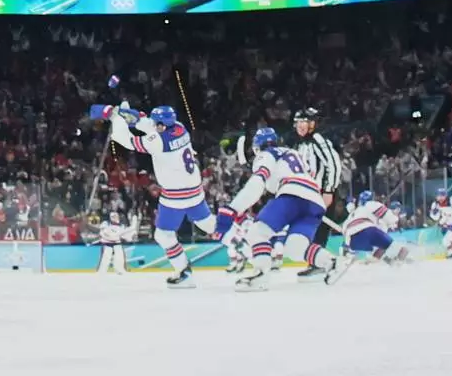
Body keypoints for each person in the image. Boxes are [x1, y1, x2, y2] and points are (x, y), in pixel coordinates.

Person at [214, 127, 341, 291]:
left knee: (257, 232)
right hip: (315, 199)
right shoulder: (294, 153)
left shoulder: (266, 155)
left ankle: (260, 275)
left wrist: (234, 208)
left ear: (257, 146)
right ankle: (331, 262)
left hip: (291, 194)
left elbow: (258, 183)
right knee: (295, 247)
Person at [106, 104, 217, 288]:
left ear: (162, 125)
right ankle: (241, 240)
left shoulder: (157, 141)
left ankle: (184, 272)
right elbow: (150, 126)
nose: (155, 125)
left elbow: (124, 139)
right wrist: (135, 116)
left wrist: (115, 117)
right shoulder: (180, 128)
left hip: (175, 195)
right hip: (194, 190)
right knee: (209, 225)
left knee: (164, 235)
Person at [291, 108, 344, 281]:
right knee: (312, 227)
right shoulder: (302, 144)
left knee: (319, 227)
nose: (299, 126)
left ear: (312, 123)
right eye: (297, 122)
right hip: (310, 194)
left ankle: (320, 263)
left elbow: (334, 164)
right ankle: (317, 262)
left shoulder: (317, 139)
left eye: (303, 122)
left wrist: (329, 190)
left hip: (322, 192)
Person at [342, 190, 408, 264]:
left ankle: (367, 260)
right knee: (401, 250)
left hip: (351, 240)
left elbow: (345, 231)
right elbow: (391, 219)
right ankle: (399, 266)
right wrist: (398, 221)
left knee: (379, 250)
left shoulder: (353, 213)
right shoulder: (371, 204)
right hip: (368, 231)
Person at [428, 187, 452, 259]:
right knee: (445, 241)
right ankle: (451, 251)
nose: (440, 197)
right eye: (438, 195)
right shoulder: (435, 204)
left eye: (442, 195)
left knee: (451, 236)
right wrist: (435, 213)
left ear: (446, 195)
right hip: (447, 224)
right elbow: (435, 217)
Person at [96, 210, 135, 275]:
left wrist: (129, 237)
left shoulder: (122, 226)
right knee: (105, 258)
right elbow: (103, 233)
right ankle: (101, 271)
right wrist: (109, 236)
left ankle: (120, 270)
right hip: (107, 243)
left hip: (117, 243)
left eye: (116, 216)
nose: (114, 217)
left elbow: (124, 235)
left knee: (120, 257)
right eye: (113, 216)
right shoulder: (105, 223)